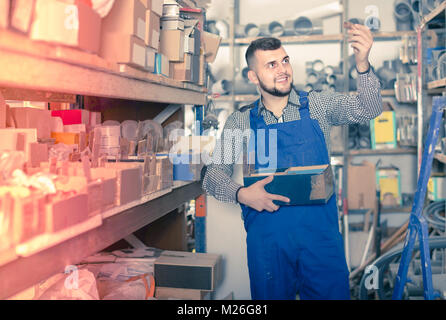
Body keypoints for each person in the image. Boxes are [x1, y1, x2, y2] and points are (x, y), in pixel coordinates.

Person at [202, 22, 382, 300]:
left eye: (284, 61)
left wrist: (362, 63)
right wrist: (242, 194)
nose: (282, 69)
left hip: (320, 241)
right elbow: (213, 176)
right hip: (268, 245)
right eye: (271, 64)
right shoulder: (241, 121)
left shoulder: (318, 106)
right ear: (253, 76)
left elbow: (369, 108)